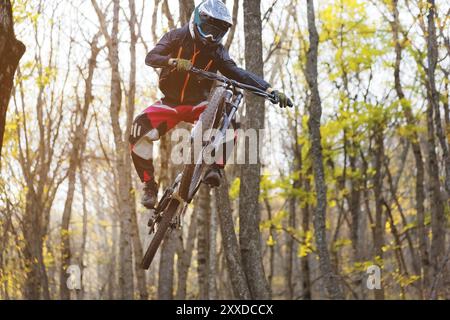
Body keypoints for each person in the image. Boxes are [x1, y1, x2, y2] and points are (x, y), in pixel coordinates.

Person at [129, 0, 293, 209]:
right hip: (170, 103)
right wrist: (172, 62)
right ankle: (150, 186)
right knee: (137, 129)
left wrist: (269, 90)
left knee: (230, 120)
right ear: (197, 20)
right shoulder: (176, 36)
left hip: (200, 104)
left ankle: (215, 167)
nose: (210, 37)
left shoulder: (217, 52)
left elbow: (238, 73)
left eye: (216, 33)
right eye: (207, 29)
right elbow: (151, 57)